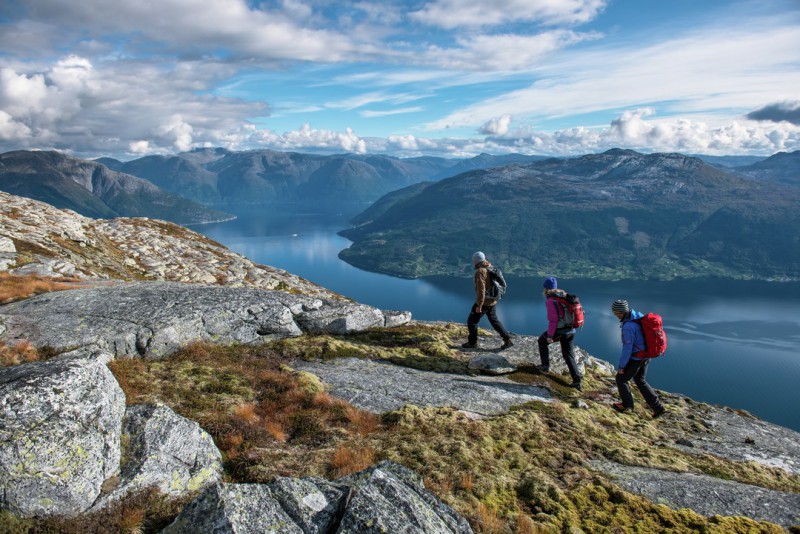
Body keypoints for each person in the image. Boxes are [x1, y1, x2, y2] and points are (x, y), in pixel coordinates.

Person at [611, 299, 666, 417]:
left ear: (620, 312)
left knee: (621, 379)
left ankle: (627, 405)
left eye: (615, 312)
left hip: (637, 358)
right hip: (646, 356)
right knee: (640, 380)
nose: (615, 315)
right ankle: (658, 408)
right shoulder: (638, 316)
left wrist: (622, 366)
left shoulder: (628, 327)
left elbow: (627, 348)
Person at [536, 276, 582, 391]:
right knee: (569, 355)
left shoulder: (551, 300)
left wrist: (550, 336)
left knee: (542, 341)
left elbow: (553, 320)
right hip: (571, 331)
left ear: (546, 288)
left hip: (561, 331)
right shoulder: (564, 296)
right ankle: (577, 381)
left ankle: (545, 366)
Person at [462, 251, 513, 350]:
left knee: (472, 321)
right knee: (494, 321)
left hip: (484, 302)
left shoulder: (480, 271)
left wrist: (479, 305)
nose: (472, 262)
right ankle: (507, 340)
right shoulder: (489, 267)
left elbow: (481, 290)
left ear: (476, 261)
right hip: (492, 301)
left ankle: (472, 343)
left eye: (473, 260)